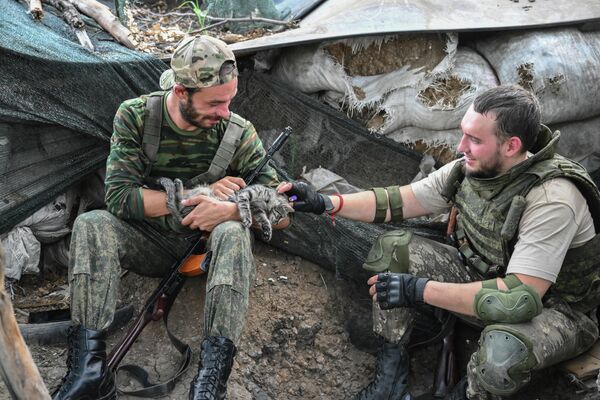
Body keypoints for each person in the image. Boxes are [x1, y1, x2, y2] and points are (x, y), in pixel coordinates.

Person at [279, 85, 600, 400]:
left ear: (511, 145)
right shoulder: (471, 168)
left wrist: (418, 289)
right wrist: (325, 202)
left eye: (474, 140)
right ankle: (391, 380)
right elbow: (399, 202)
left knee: (503, 350)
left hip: (555, 312)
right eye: (464, 134)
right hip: (482, 277)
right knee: (395, 249)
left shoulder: (553, 198)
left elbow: (519, 299)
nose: (461, 146)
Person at [53, 35, 289, 400]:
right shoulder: (136, 116)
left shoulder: (238, 133)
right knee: (92, 224)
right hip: (148, 243)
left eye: (229, 100)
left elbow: (282, 211)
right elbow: (119, 197)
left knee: (233, 231)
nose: (224, 112)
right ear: (181, 92)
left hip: (206, 254)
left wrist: (229, 208)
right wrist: (203, 195)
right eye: (215, 103)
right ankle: (88, 372)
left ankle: (211, 382)